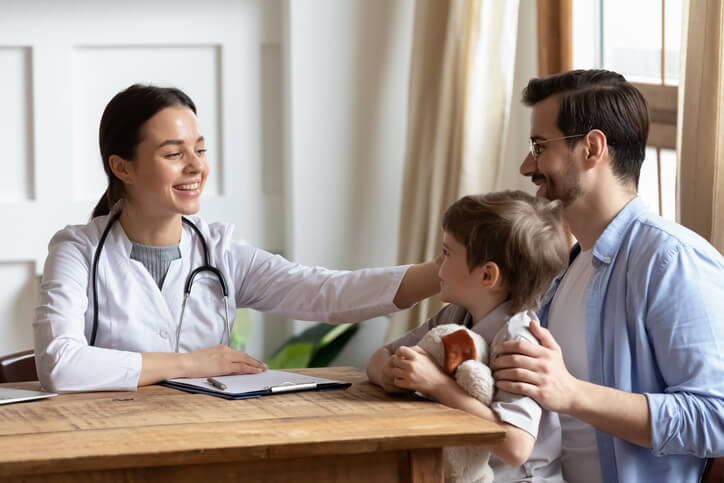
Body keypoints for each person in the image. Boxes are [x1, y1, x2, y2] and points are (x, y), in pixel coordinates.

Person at [33, 84, 440, 393]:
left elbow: (327, 292)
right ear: (123, 168)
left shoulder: (220, 252)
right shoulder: (77, 251)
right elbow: (60, 365)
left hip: (209, 437)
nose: (196, 167)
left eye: (201, 149)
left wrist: (446, 273)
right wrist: (191, 364)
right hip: (109, 439)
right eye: (174, 155)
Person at [491, 69, 724, 483]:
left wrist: (572, 392)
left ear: (592, 148)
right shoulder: (565, 267)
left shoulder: (671, 260)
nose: (528, 165)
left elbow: (715, 418)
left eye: (539, 146)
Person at [367, 190, 570, 482]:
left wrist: (436, 384)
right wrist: (389, 372)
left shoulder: (519, 341)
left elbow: (516, 447)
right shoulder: (456, 315)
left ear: (488, 276)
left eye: (447, 253)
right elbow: (379, 356)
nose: (437, 264)